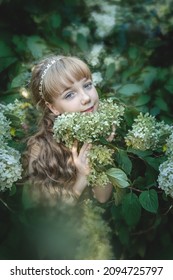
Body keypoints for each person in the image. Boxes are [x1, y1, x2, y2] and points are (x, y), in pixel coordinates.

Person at [25, 55, 113, 206]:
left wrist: (102, 153)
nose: (86, 98)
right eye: (70, 95)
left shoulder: (106, 129)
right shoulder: (40, 147)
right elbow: (43, 216)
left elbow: (103, 197)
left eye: (87, 85)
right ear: (53, 107)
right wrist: (82, 178)